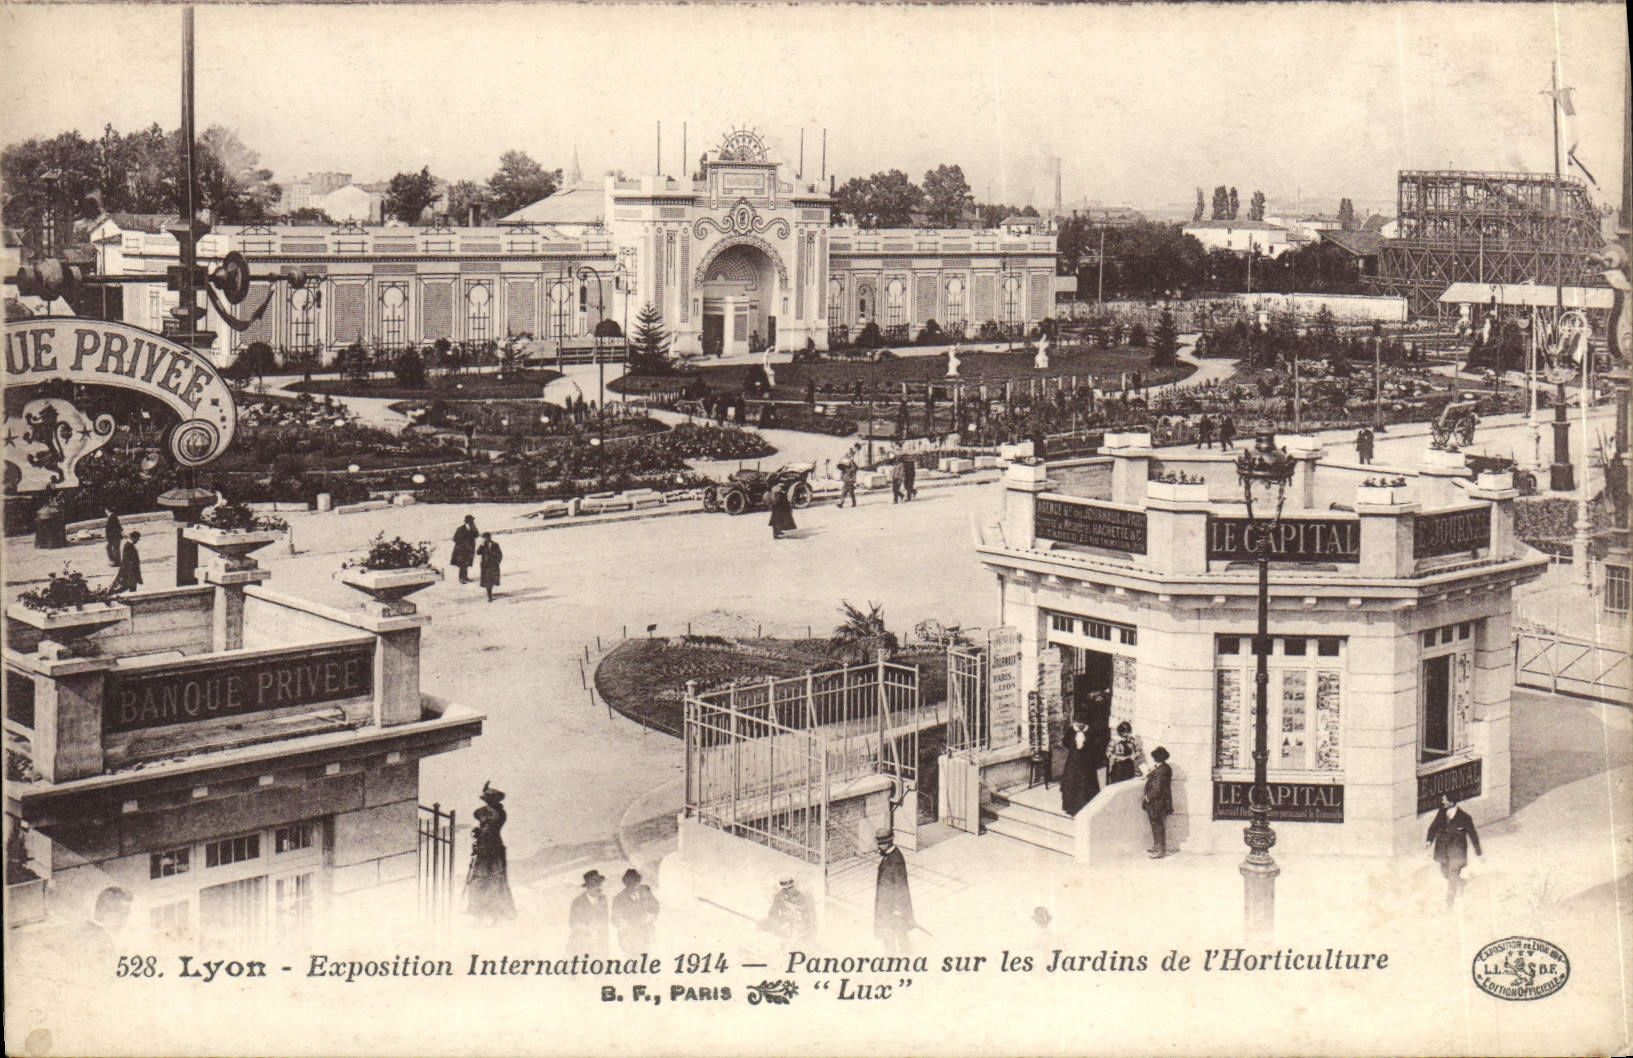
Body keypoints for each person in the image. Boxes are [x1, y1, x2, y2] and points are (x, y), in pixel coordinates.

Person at [464, 782, 516, 924]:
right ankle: (479, 915)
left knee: (494, 881)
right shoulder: (485, 813)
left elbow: (489, 826)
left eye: (490, 800)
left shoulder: (497, 814)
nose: (488, 803)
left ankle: (496, 915)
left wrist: (482, 832)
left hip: (493, 849)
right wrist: (479, 833)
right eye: (487, 800)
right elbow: (480, 819)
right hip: (484, 849)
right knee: (479, 881)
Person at [1426, 794, 1482, 907]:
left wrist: (1478, 852)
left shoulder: (1465, 817)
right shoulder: (1442, 812)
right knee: (1444, 871)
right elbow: (1433, 826)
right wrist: (1429, 840)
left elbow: (1473, 834)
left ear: (1451, 802)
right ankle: (1461, 882)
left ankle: (1449, 903)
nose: (1442, 801)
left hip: (1457, 851)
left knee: (1452, 874)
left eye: (1444, 800)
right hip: (1443, 849)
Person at [873, 826, 915, 954]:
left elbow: (900, 884)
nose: (878, 847)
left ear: (888, 843)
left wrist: (898, 908)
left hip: (893, 908)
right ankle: (891, 957)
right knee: (889, 934)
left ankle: (905, 958)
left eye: (880, 844)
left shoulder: (895, 859)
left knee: (899, 934)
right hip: (886, 906)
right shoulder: (888, 856)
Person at [71, 886, 133, 957]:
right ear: (104, 910)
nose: (127, 918)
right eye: (124, 913)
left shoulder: (79, 928)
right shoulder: (101, 939)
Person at [610, 868, 660, 954]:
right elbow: (615, 919)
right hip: (629, 939)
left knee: (647, 960)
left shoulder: (645, 890)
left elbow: (655, 906)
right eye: (631, 884)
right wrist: (626, 926)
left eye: (636, 883)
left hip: (646, 935)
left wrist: (651, 915)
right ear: (626, 884)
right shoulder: (618, 899)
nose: (635, 887)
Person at [760, 875, 817, 947]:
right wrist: (775, 923)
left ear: (793, 886)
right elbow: (773, 911)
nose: (788, 891)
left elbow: (807, 918)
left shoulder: (800, 897)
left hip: (798, 926)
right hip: (784, 922)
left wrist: (801, 930)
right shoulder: (779, 895)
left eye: (790, 888)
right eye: (785, 889)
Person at [1059, 718, 1099, 816]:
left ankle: (1086, 806)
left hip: (1087, 761)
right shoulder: (1071, 730)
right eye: (1078, 723)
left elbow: (1095, 744)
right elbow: (1065, 742)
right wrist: (1074, 745)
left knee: (1087, 783)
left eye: (1082, 723)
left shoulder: (1090, 731)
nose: (1080, 725)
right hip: (1073, 760)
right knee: (1072, 781)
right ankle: (1071, 807)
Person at [568, 870, 610, 956]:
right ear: (588, 888)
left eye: (600, 885)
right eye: (595, 886)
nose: (599, 889)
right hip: (583, 944)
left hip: (601, 943)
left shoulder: (603, 898)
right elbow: (573, 924)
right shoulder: (578, 902)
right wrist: (589, 931)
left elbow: (605, 919)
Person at [1142, 746, 1174, 858]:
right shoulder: (1164, 768)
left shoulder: (1162, 770)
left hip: (1157, 802)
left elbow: (1157, 787)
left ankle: (1160, 850)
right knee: (1156, 824)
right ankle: (1157, 847)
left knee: (1157, 825)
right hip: (1159, 801)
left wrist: (1147, 797)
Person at [451, 515, 479, 583]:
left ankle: (465, 577)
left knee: (466, 564)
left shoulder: (472, 528)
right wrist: (463, 544)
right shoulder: (460, 529)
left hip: (469, 550)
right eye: (472, 520)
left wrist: (474, 528)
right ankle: (461, 578)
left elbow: (477, 535)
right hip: (461, 550)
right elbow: (455, 539)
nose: (473, 522)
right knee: (462, 564)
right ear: (468, 521)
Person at [476, 532, 503, 602]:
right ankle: (489, 596)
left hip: (493, 565)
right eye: (484, 538)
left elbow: (500, 555)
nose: (485, 539)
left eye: (486, 538)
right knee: (488, 581)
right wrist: (481, 545)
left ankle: (490, 593)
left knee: (492, 580)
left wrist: (497, 562)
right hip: (485, 566)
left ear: (489, 538)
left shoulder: (495, 545)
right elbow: (478, 553)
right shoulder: (483, 545)